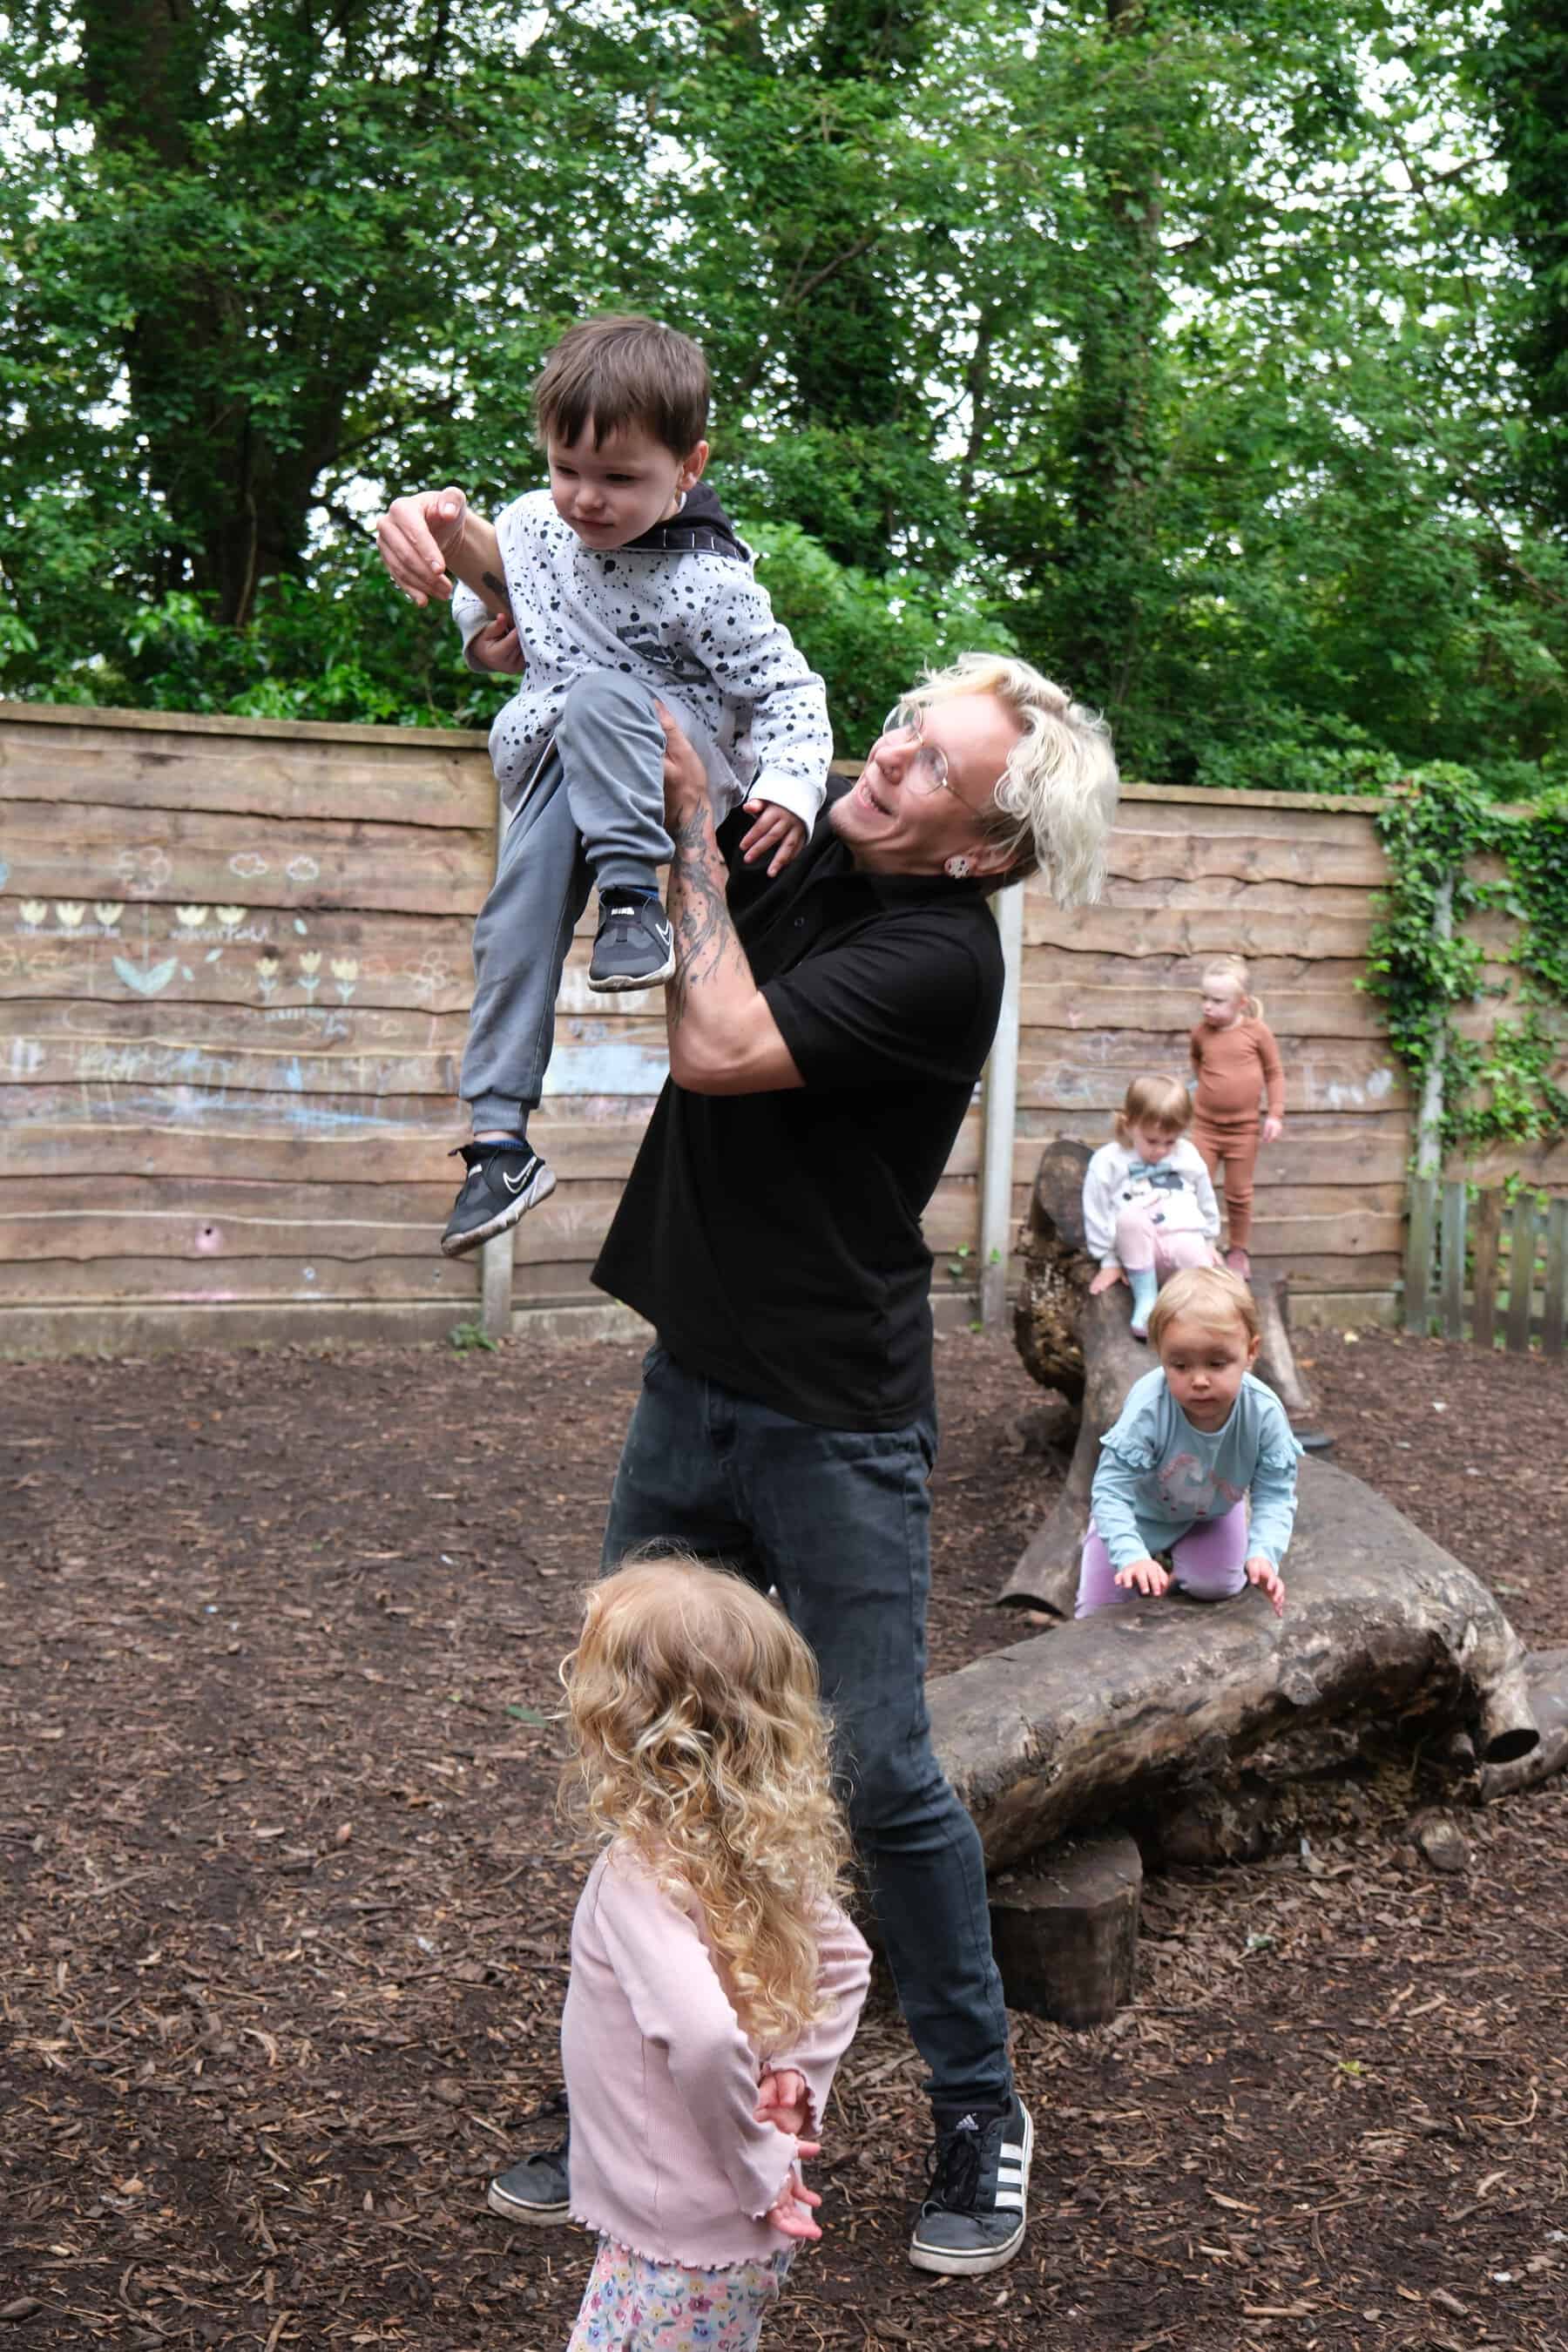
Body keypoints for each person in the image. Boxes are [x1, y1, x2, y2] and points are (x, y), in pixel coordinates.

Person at [487, 650, 1121, 2277]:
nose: (889, 759)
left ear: (984, 850)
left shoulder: (940, 957)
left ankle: (980, 2104)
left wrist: (692, 842)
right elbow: (634, 640)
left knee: (878, 1767)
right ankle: (629, 2077)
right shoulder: (821, 822)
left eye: (932, 768)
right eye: (904, 728)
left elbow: (715, 1045)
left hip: (835, 1411)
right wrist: (495, 583)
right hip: (694, 1369)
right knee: (652, 1727)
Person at [374, 314, 832, 1260]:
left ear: (688, 468)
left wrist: (791, 787)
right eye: (566, 469)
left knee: (600, 696)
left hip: (671, 764)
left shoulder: (709, 580)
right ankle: (499, 1141)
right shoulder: (535, 527)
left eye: (620, 479)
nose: (586, 498)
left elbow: (788, 690)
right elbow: (499, 606)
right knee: (511, 922)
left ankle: (633, 900)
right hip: (561, 764)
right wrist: (474, 609)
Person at [557, 1555, 870, 2352]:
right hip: (707, 2230)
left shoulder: (638, 1876)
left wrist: (758, 2161)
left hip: (681, 2238)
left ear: (614, 1721)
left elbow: (700, 2038)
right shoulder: (764, 1844)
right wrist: (800, 2072)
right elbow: (847, 1961)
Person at [1074, 1266, 1299, 1619]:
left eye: (1217, 1363)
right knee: (1096, 1614)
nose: (1199, 1380)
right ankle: (1145, 1566)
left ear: (1251, 1351)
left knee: (1220, 1587)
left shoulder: (1263, 1412)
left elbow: (1275, 1492)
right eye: (1180, 1366)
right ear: (1160, 1354)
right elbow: (1111, 1491)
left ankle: (1180, 1570)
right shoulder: (1149, 1408)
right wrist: (1131, 1554)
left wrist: (1263, 1553)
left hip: (1212, 1511)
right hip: (1139, 1514)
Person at [1083, 1074, 1221, 1338]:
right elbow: (1096, 1209)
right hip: (1138, 1255)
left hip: (1182, 1240)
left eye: (1170, 1142)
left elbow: (1205, 1196)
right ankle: (1147, 1300)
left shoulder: (1187, 1155)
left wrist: (1209, 1240)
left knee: (1200, 1266)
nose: (1160, 1151)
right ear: (1129, 1124)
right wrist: (1108, 1260)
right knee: (1131, 1218)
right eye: (1152, 1141)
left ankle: (1195, 1316)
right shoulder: (1109, 1161)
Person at [1189, 954, 1286, 1281]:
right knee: (1194, 1185)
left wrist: (1275, 1114)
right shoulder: (1201, 1034)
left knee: (1238, 1192)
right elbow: (1198, 1064)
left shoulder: (1257, 1033)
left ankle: (1238, 1251)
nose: (1207, 1006)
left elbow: (1274, 1073)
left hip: (1243, 1131)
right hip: (1205, 1127)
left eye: (1217, 1001)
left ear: (1241, 1003)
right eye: (1204, 998)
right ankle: (1199, 1244)